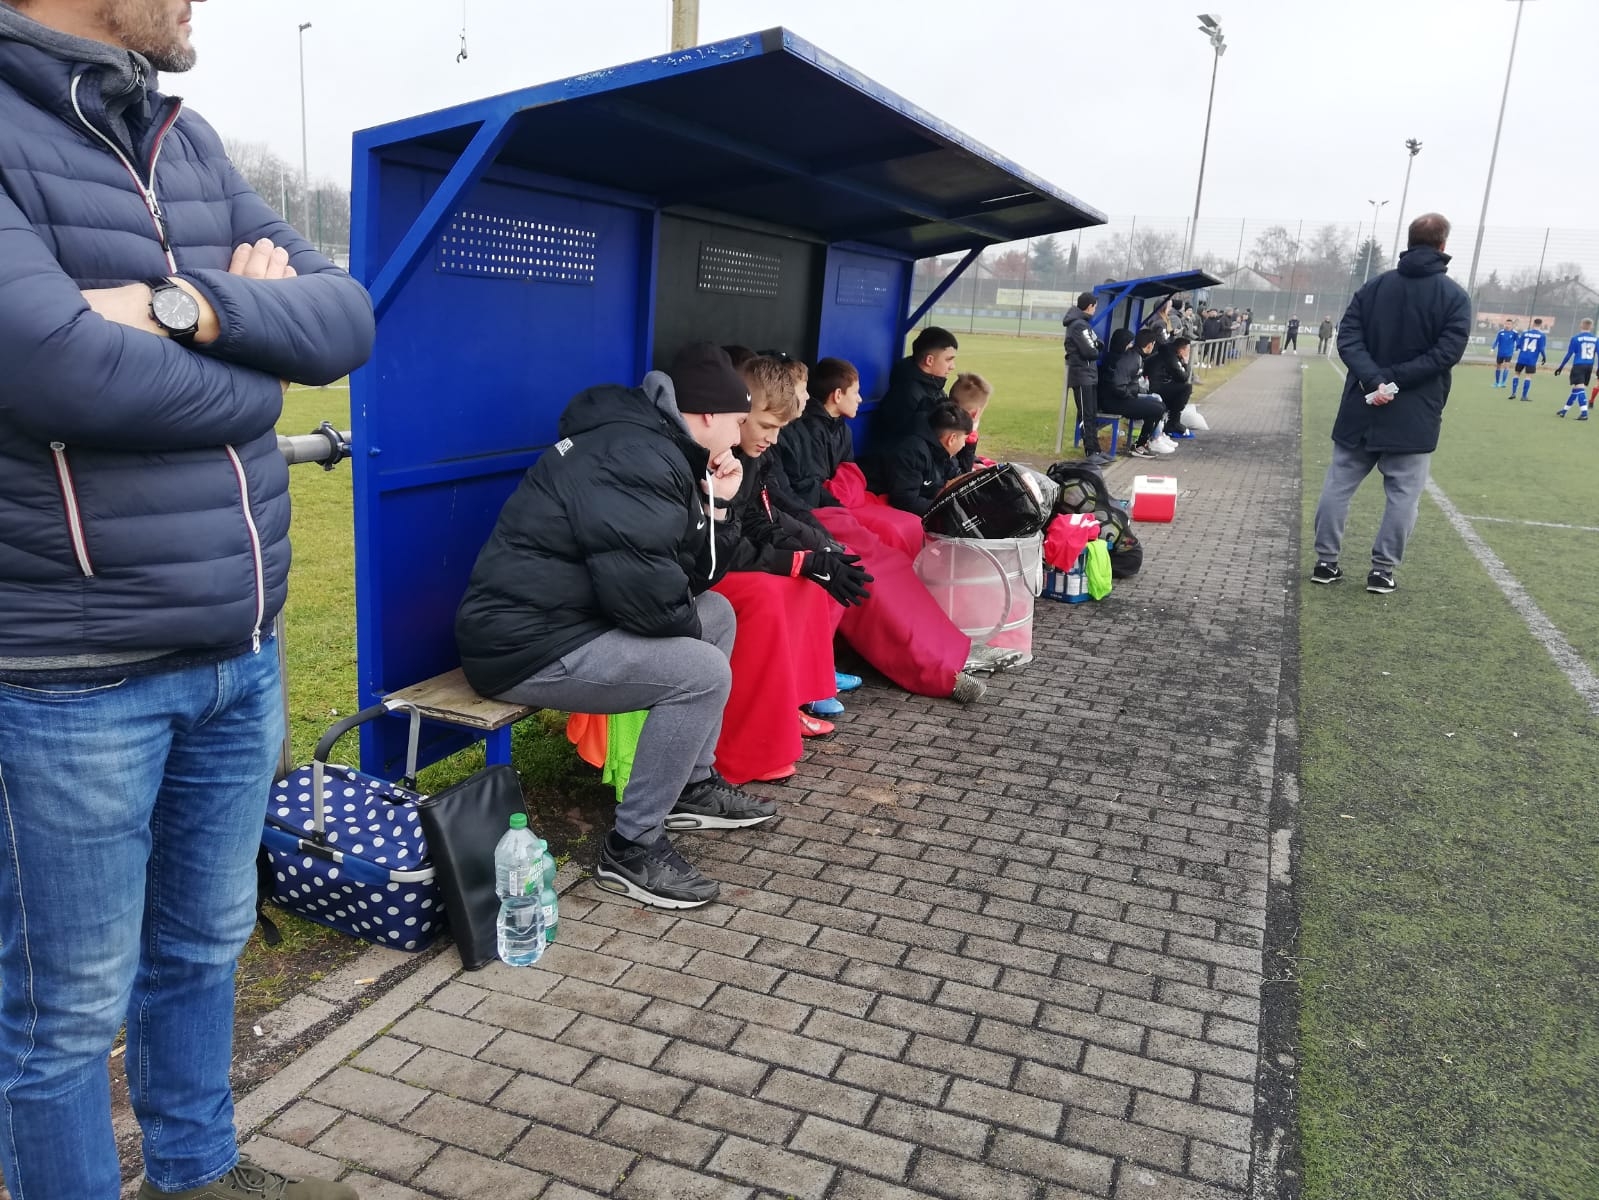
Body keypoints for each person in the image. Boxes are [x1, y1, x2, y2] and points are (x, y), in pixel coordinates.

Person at [0, 3, 378, 1199]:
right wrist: (255, 371)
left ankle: (199, 1170)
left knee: (205, 945)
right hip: (68, 682)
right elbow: (59, 369)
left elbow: (345, 319)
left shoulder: (188, 137)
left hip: (238, 654)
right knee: (65, 1009)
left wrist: (179, 304)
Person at [456, 343, 775, 912]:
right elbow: (652, 602)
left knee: (718, 614)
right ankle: (631, 847)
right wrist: (685, 639)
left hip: (569, 620)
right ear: (706, 415)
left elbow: (686, 577)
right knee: (700, 673)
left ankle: (692, 785)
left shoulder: (656, 447)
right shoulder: (634, 458)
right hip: (523, 646)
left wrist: (719, 508)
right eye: (737, 419)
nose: (740, 433)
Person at [709, 356, 870, 783]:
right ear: (738, 413)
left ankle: (790, 707)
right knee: (767, 595)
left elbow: (759, 521)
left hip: (728, 560)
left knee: (806, 584)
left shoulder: (751, 454)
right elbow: (718, 545)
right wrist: (801, 559)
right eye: (766, 425)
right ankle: (749, 743)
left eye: (779, 428)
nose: (772, 438)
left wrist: (814, 553)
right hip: (701, 573)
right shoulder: (709, 454)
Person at [1311, 213, 1470, 594]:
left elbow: (1348, 338)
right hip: (1415, 413)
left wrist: (1375, 379)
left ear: (1409, 241)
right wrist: (1393, 380)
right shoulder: (1455, 297)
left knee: (1338, 485)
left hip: (1362, 405)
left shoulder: (1374, 287)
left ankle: (1325, 563)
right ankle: (1382, 571)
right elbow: (1446, 353)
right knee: (1403, 497)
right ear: (1443, 245)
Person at [870, 403, 972, 516]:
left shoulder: (941, 451)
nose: (964, 445)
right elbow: (905, 500)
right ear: (952, 439)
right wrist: (948, 508)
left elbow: (959, 477)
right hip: (877, 494)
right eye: (964, 439)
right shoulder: (912, 452)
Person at [872, 325, 958, 443]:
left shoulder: (933, 386)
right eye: (948, 359)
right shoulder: (906, 394)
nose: (953, 366)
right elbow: (907, 445)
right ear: (929, 360)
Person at [1099, 328, 1173, 458]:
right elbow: (1118, 386)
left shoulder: (1135, 356)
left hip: (1119, 398)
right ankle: (1141, 446)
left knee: (1159, 406)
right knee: (1157, 409)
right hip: (1115, 402)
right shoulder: (1131, 358)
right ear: (1150, 345)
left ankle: (1146, 442)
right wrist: (1131, 395)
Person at [1062, 293, 1110, 467]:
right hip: (1082, 375)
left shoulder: (1083, 324)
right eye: (1095, 307)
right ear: (1090, 306)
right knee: (1085, 414)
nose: (1095, 310)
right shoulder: (1079, 325)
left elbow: (1097, 343)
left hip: (1089, 374)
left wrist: (1096, 345)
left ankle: (1096, 449)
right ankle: (1090, 451)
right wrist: (1096, 346)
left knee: (1091, 413)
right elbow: (1091, 351)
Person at [1146, 335, 1195, 439]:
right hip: (1155, 387)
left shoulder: (1167, 353)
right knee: (1187, 388)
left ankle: (1172, 421)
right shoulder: (1170, 356)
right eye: (1188, 350)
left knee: (1181, 388)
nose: (1188, 353)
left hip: (1155, 385)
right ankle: (1173, 422)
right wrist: (1186, 363)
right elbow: (1183, 377)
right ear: (1181, 350)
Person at [948, 371, 993, 474]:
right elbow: (963, 474)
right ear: (975, 414)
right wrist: (970, 440)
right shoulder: (952, 438)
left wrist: (975, 461)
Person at [1553, 318, 1598, 420]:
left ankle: (1584, 413)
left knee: (1580, 388)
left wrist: (1561, 367)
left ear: (1581, 325)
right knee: (1576, 389)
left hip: (1579, 365)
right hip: (1589, 366)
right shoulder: (1596, 339)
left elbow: (1569, 354)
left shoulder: (1575, 338)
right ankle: (1564, 410)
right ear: (1591, 327)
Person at [1509, 317, 1547, 401]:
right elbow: (1541, 348)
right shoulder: (1542, 335)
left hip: (1521, 357)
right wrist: (1544, 357)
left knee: (1517, 374)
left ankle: (1513, 393)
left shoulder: (1525, 333)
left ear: (1533, 324)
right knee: (1528, 376)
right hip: (1531, 359)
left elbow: (1518, 345)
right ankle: (1524, 396)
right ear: (1541, 325)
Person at [1490, 319, 1518, 388]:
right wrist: (1492, 349)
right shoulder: (1501, 332)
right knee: (1498, 367)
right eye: (1506, 324)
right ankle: (1497, 382)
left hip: (1509, 353)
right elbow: (1496, 341)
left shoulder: (1514, 333)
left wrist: (1517, 349)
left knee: (1506, 366)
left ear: (1512, 325)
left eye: (1509, 324)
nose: (1507, 325)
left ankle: (1503, 383)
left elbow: (1518, 341)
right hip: (1500, 352)